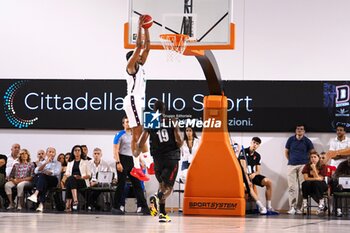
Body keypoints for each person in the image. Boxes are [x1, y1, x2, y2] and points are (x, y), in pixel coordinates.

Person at [136, 100, 183, 222]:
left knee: (162, 185)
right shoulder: (171, 120)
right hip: (171, 158)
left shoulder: (151, 121)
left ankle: (162, 214)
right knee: (169, 188)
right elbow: (179, 140)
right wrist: (179, 143)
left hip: (157, 159)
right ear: (164, 109)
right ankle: (156, 197)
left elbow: (141, 142)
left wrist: (136, 153)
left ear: (153, 109)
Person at [123, 15, 153, 181]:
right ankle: (143, 163)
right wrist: (140, 26)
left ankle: (141, 164)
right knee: (139, 132)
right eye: (137, 56)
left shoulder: (140, 67)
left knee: (139, 133)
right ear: (132, 58)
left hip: (138, 101)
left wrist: (148, 29)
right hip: (133, 99)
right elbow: (140, 46)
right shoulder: (130, 67)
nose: (141, 57)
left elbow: (147, 47)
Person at [112, 116, 150, 215]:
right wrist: (118, 163)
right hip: (122, 160)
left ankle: (143, 207)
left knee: (138, 184)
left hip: (133, 160)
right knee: (121, 184)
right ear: (123, 124)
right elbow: (115, 150)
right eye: (126, 122)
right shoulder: (120, 135)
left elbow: (137, 149)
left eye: (129, 122)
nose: (128, 123)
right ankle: (116, 207)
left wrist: (141, 160)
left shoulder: (135, 135)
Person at [239, 137, 276, 213]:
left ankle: (268, 206)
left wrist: (254, 174)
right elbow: (243, 169)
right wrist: (248, 180)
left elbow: (258, 171)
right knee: (249, 186)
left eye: (257, 144)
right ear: (251, 143)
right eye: (254, 143)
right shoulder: (243, 152)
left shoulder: (257, 155)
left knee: (268, 182)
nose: (255, 145)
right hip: (244, 176)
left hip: (253, 175)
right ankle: (261, 207)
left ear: (258, 145)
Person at [285, 124, 314, 214]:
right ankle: (292, 207)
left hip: (303, 166)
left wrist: (308, 163)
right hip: (291, 165)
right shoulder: (290, 139)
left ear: (304, 131)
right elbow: (286, 151)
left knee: (302, 187)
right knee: (291, 187)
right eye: (298, 129)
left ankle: (299, 208)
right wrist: (290, 160)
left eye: (301, 129)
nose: (299, 130)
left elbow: (312, 153)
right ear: (295, 130)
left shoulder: (307, 141)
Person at [27, 147, 62, 212]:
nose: (51, 153)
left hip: (52, 180)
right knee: (43, 180)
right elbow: (36, 171)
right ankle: (41, 204)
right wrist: (45, 163)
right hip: (43, 180)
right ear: (46, 153)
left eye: (53, 152)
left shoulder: (58, 163)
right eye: (49, 152)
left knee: (42, 176)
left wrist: (49, 172)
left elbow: (57, 172)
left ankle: (35, 194)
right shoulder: (42, 162)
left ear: (55, 154)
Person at [64, 145, 91, 212]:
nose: (77, 152)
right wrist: (72, 176)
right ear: (73, 152)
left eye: (79, 150)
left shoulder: (85, 162)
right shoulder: (70, 162)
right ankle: (75, 200)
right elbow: (66, 173)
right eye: (75, 150)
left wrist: (81, 177)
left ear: (81, 152)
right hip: (72, 180)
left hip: (82, 181)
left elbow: (89, 175)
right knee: (71, 179)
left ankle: (68, 205)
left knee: (70, 182)